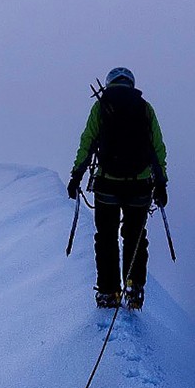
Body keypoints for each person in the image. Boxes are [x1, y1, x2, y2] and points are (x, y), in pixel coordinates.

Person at [68, 67, 167, 309]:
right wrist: (161, 183)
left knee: (106, 238)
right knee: (135, 238)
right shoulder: (145, 107)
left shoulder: (101, 105)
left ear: (110, 83)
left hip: (107, 184)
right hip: (140, 186)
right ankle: (133, 287)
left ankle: (108, 292)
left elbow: (87, 141)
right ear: (131, 84)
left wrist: (76, 175)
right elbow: (158, 147)